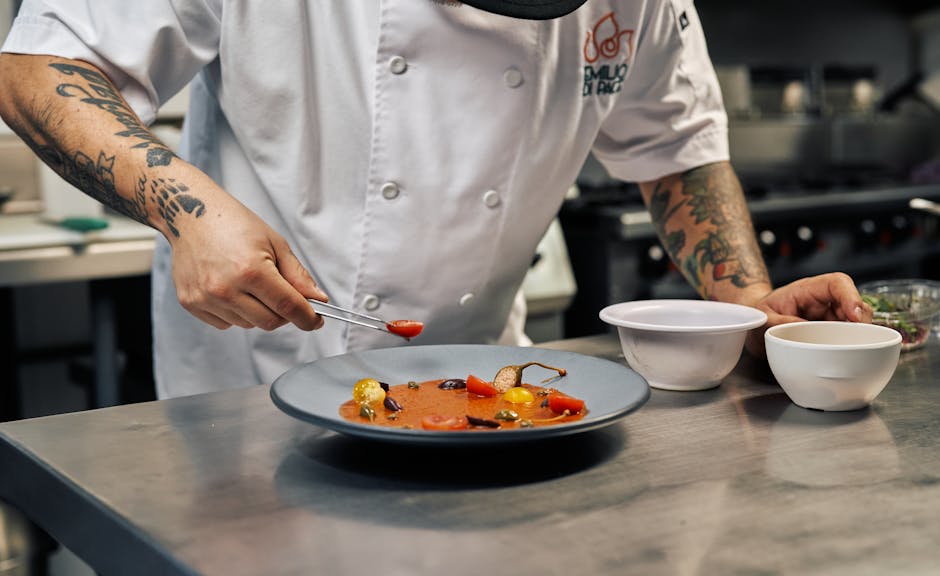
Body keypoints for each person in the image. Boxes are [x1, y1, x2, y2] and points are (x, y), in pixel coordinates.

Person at [0, 0, 870, 399]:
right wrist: (186, 208)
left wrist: (749, 308)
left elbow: (674, 145)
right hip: (254, 387)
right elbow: (38, 65)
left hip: (489, 384)